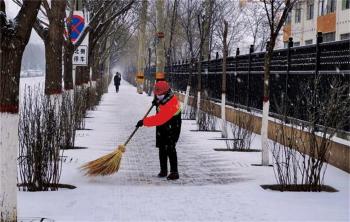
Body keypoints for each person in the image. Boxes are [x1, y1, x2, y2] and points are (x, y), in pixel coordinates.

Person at [136, 80, 182, 180]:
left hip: (172, 128)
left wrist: (144, 122)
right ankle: (163, 170)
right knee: (162, 147)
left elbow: (159, 119)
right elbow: (160, 105)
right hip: (163, 127)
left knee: (170, 148)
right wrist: (157, 102)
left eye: (159, 94)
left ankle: (174, 172)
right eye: (156, 94)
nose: (157, 96)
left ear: (165, 93)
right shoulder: (164, 98)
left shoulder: (171, 102)